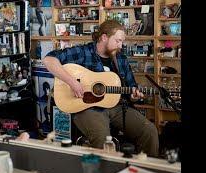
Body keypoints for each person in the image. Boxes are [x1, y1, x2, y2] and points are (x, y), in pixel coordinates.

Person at [42, 20, 159, 157]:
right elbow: (49, 60)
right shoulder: (83, 52)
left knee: (149, 131)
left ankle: (145, 172)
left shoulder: (120, 59)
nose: (120, 46)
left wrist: (133, 94)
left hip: (117, 106)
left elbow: (130, 86)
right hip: (87, 107)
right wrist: (72, 82)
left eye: (122, 42)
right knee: (102, 139)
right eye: (117, 41)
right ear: (104, 37)